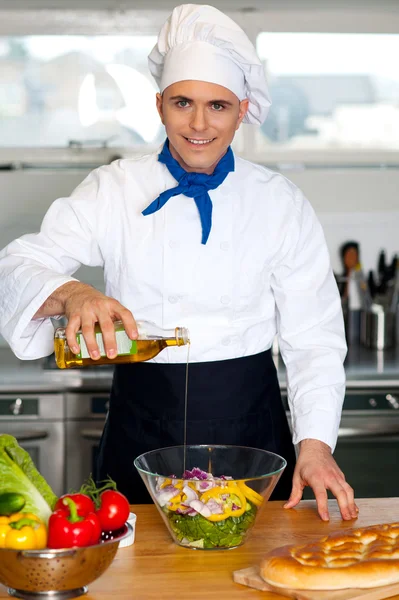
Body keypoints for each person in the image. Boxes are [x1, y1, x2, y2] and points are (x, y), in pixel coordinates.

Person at [0, 4, 358, 522]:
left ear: (241, 110)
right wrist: (73, 293)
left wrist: (317, 444)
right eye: (182, 102)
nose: (198, 123)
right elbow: (18, 264)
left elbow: (315, 339)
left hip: (250, 432)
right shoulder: (115, 188)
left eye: (218, 106)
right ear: (159, 105)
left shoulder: (279, 202)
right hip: (140, 425)